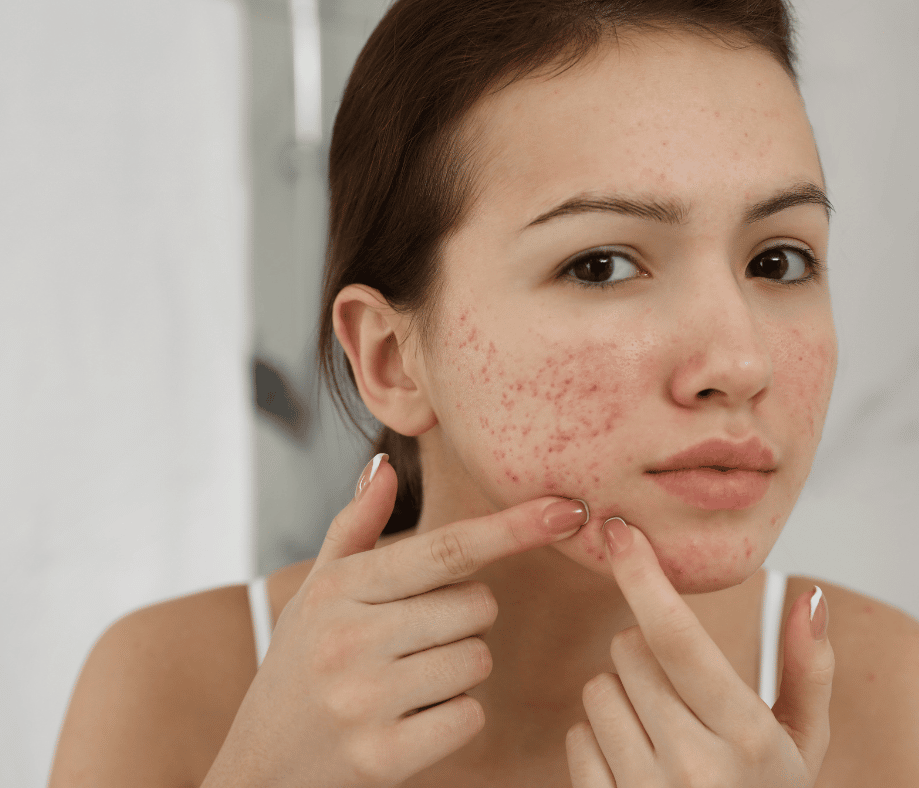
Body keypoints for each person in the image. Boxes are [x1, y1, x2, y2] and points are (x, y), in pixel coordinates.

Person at [48, 1, 919, 786]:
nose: (739, 362)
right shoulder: (172, 690)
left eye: (779, 260)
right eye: (601, 265)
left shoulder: (897, 703)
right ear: (392, 359)